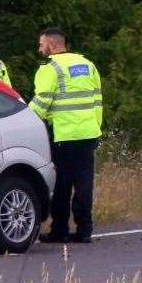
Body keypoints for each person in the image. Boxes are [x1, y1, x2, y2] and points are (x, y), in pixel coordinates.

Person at [30, 27, 103, 244]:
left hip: (63, 135)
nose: (39, 48)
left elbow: (41, 104)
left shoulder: (50, 68)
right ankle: (84, 229)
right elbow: (97, 100)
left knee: (61, 184)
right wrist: (96, 128)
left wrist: (22, 120)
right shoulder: (88, 65)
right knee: (84, 183)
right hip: (88, 133)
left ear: (52, 45)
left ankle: (59, 229)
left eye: (41, 44)